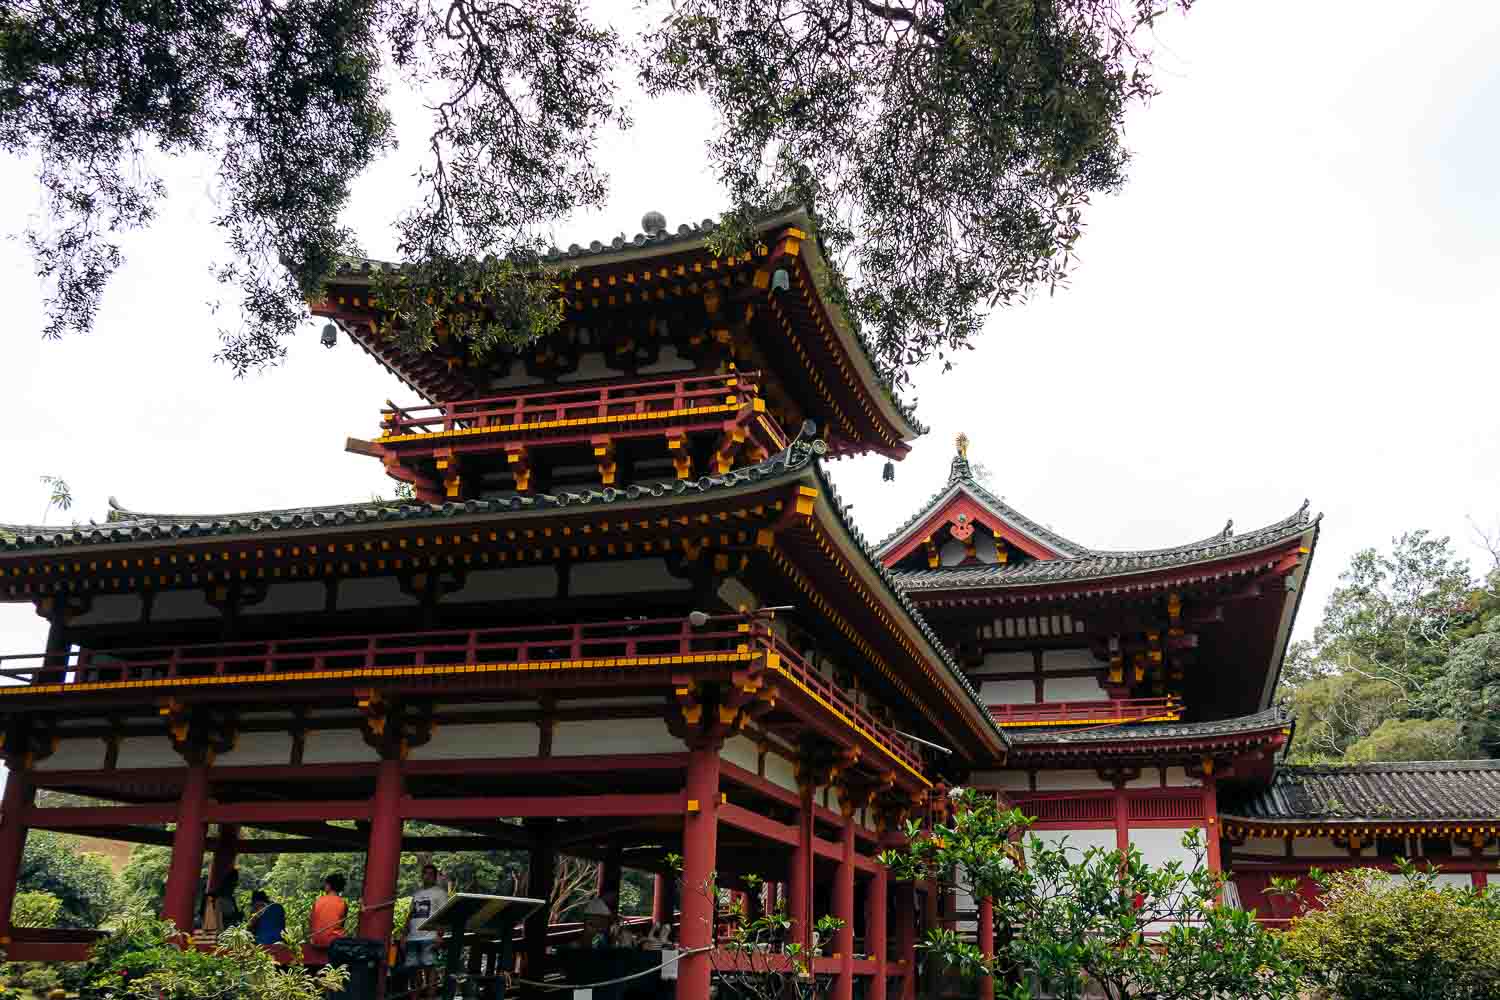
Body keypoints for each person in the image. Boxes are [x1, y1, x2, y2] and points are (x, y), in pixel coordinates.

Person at [403, 864, 449, 1000]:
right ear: (421, 875)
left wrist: (440, 936)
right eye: (425, 873)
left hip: (430, 936)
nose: (427, 876)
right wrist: (404, 935)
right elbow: (411, 914)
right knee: (413, 972)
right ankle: (415, 997)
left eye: (430, 874)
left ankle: (430, 997)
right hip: (413, 937)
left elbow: (444, 916)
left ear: (435, 877)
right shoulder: (417, 894)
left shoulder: (440, 893)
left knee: (430, 971)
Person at [307, 873, 348, 965]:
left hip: (316, 942)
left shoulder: (318, 901)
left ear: (329, 886)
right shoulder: (343, 903)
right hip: (334, 944)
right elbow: (341, 924)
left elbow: (311, 922)